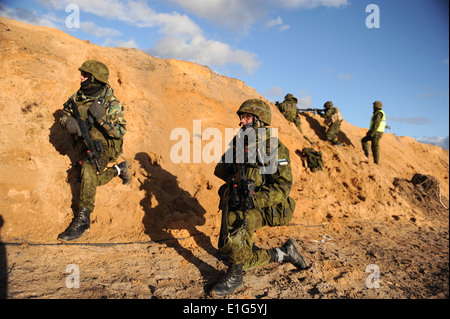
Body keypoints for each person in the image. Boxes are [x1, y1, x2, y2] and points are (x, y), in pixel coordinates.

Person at [212, 99, 309, 297]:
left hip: (266, 206)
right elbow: (220, 169)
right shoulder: (241, 143)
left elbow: (283, 186)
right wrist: (234, 164)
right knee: (234, 248)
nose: (242, 122)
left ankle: (235, 277)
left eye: (247, 117)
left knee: (237, 223)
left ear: (259, 120)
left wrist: (254, 199)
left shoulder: (273, 147)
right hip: (241, 201)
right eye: (241, 118)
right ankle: (285, 252)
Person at [58, 60, 131, 241]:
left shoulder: (110, 102)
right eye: (82, 74)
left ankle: (83, 219)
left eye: (85, 75)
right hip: (84, 145)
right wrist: (69, 123)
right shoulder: (77, 97)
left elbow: (120, 131)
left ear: (95, 79)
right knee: (88, 178)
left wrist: (101, 118)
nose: (81, 77)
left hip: (104, 147)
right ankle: (119, 170)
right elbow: (64, 115)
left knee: (88, 170)